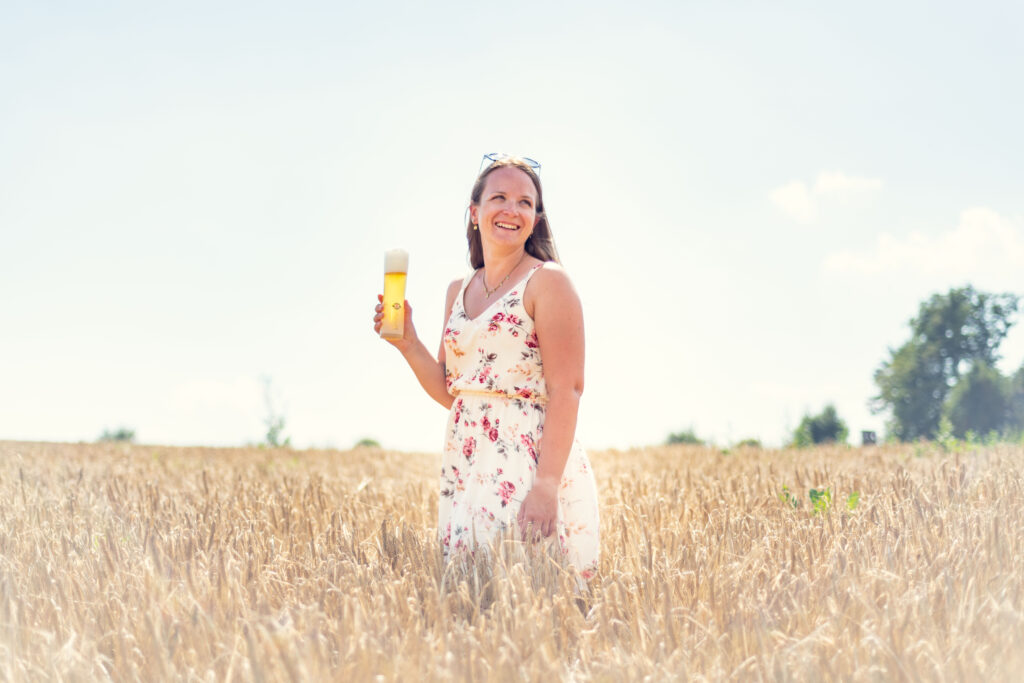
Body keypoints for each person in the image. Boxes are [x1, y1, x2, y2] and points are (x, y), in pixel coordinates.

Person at [372, 155, 599, 578]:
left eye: (525, 203)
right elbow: (452, 393)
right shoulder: (458, 290)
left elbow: (568, 389)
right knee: (470, 600)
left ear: (535, 219)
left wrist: (546, 486)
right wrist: (408, 343)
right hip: (466, 463)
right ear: (475, 213)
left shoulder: (548, 281)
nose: (511, 210)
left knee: (528, 594)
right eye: (499, 197)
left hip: (528, 464)